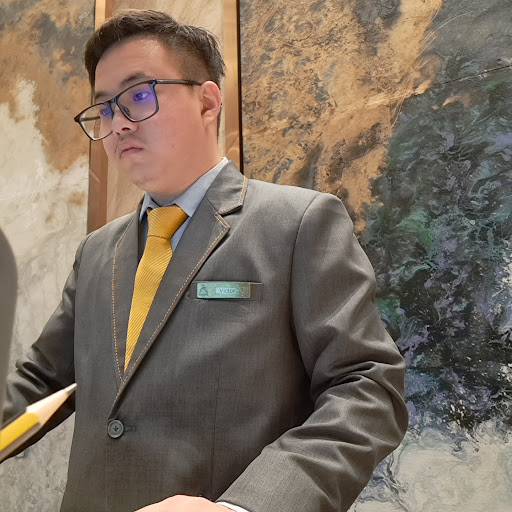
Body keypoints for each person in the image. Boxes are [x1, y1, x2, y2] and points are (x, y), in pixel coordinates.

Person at [2, 9, 408, 512]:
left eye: (139, 95)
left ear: (208, 101)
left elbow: (367, 387)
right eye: (104, 108)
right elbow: (41, 380)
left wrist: (242, 509)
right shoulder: (97, 251)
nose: (118, 123)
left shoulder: (297, 223)